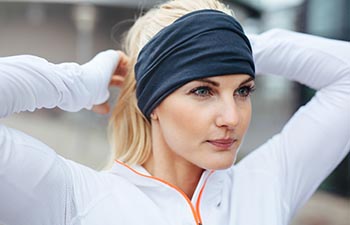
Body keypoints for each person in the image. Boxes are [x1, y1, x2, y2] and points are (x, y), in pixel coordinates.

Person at [0, 0, 349, 225]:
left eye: (243, 90)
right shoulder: (72, 199)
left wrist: (235, 41)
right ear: (153, 105)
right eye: (202, 91)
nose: (232, 116)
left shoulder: (267, 183)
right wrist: (73, 83)